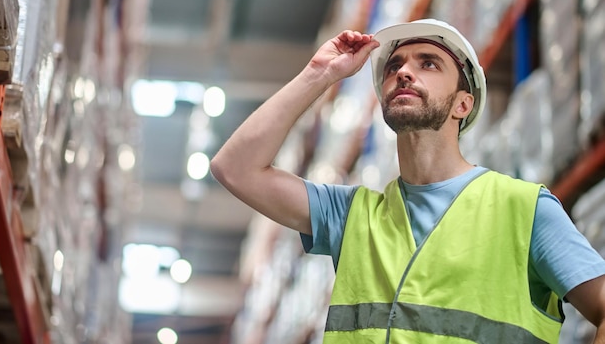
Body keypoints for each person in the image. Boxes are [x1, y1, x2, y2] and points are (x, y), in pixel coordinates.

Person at [210, 19, 605, 343]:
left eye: (428, 63)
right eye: (394, 66)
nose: (403, 72)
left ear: (462, 104)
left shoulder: (524, 209)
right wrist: (320, 75)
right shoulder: (352, 216)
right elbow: (235, 168)